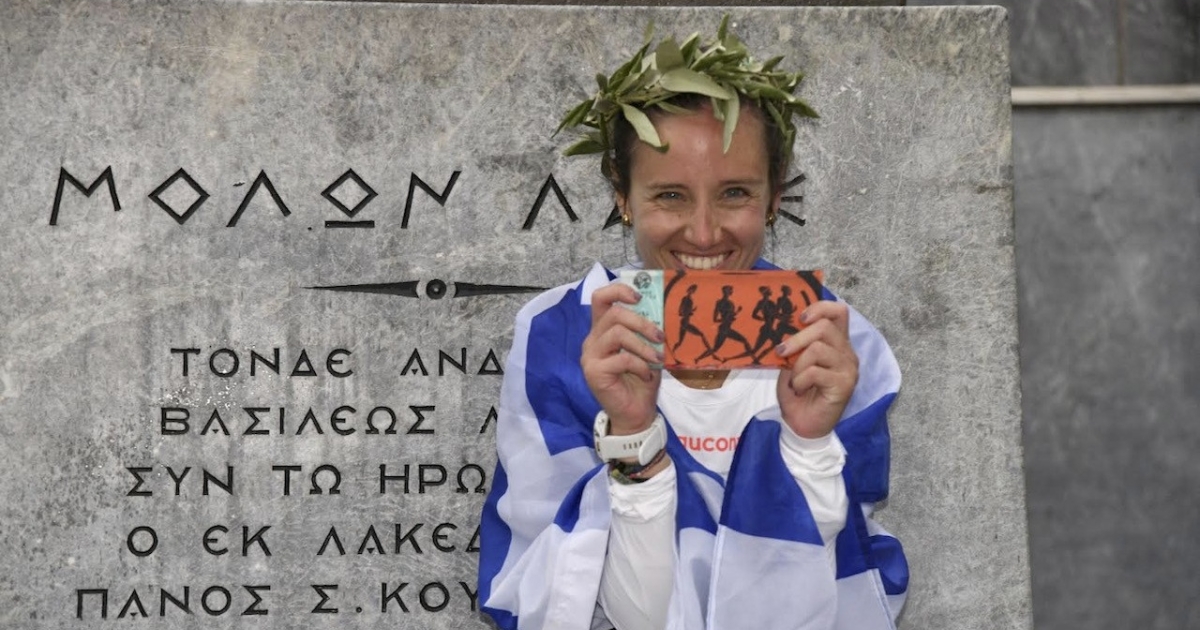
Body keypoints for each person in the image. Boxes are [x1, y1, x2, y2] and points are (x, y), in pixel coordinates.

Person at [479, 17, 907, 630]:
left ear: (774, 195)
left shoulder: (832, 342)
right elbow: (609, 611)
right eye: (670, 196)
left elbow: (809, 603)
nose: (704, 234)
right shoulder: (563, 334)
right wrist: (632, 436)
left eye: (734, 193)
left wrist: (808, 444)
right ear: (623, 196)